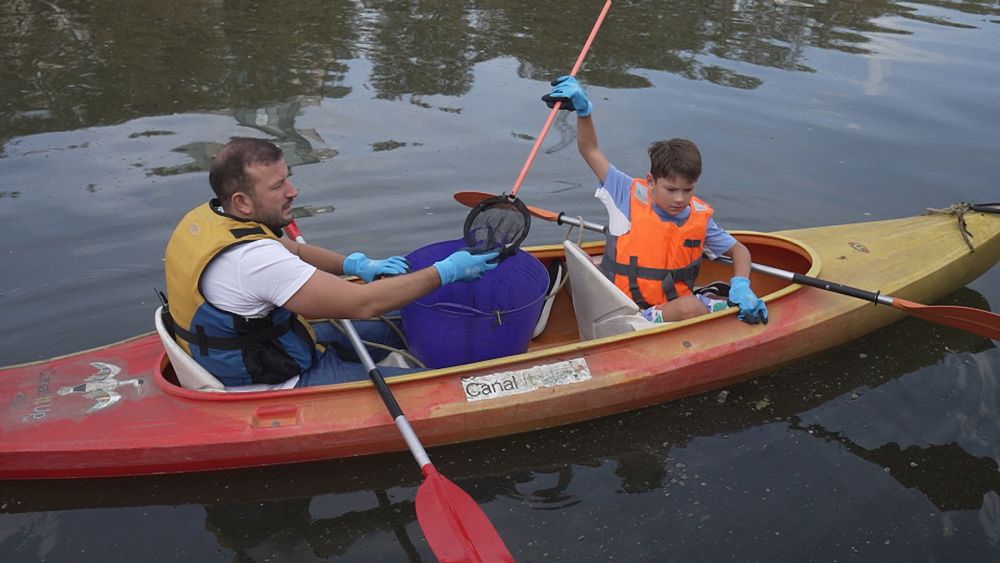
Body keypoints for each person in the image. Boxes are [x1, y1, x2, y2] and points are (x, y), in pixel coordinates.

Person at [163, 137, 498, 388]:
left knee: (405, 320)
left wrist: (355, 265)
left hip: (260, 339)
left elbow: (291, 250)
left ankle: (400, 351)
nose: (293, 190)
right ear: (242, 201)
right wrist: (445, 271)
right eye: (278, 185)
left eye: (288, 178)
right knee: (430, 384)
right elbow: (362, 303)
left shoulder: (209, 218)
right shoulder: (254, 261)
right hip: (274, 374)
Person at [542, 76, 768, 325]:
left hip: (668, 306)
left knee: (699, 305)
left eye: (688, 190)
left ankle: (725, 302)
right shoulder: (623, 191)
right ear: (650, 181)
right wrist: (584, 112)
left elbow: (739, 250)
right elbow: (589, 149)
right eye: (670, 190)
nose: (680, 199)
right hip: (625, 310)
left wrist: (741, 283)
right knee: (687, 308)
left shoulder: (698, 216)